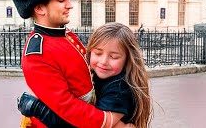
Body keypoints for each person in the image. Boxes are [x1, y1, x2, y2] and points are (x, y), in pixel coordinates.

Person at [8, 0, 131, 127]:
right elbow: (68, 109)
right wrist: (109, 122)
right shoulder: (37, 54)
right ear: (40, 8)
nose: (69, 5)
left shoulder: (65, 35)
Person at [18, 22, 152, 128]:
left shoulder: (119, 89)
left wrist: (38, 109)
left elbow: (85, 124)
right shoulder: (95, 75)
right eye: (98, 53)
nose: (103, 62)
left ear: (128, 59)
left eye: (114, 57)